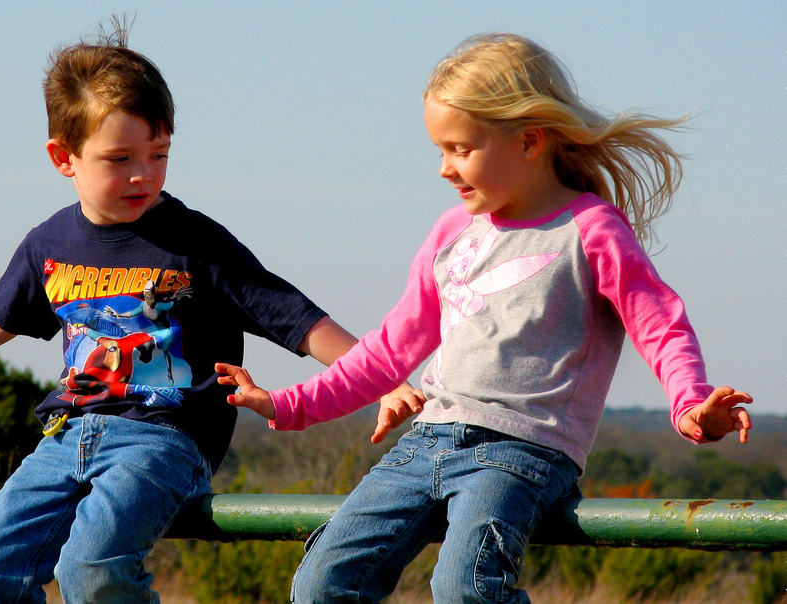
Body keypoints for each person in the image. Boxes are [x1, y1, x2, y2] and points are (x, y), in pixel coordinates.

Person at [0, 20, 413, 604]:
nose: (143, 175)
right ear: (65, 158)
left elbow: (296, 318)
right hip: (66, 433)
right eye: (120, 158)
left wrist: (381, 378)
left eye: (158, 155)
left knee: (90, 569)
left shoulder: (195, 243)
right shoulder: (48, 244)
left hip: (165, 437)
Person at [216, 33, 753, 604]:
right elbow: (388, 351)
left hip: (524, 450)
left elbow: (659, 322)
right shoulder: (452, 235)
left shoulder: (591, 229)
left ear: (528, 141)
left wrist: (691, 403)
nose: (446, 169)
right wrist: (289, 404)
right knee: (321, 582)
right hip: (425, 440)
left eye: (461, 149)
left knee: (465, 590)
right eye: (440, 150)